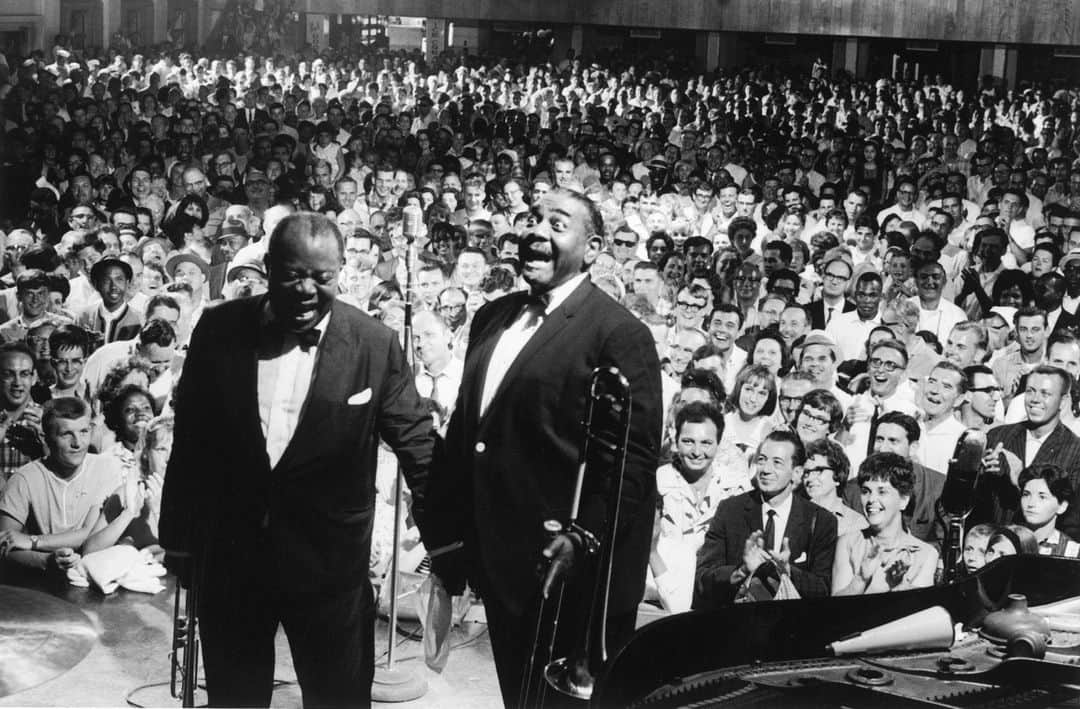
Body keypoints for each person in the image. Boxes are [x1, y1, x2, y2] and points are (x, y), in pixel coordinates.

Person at [159, 212, 439, 708]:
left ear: (340, 273)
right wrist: (179, 539)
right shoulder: (219, 329)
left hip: (330, 566)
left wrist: (452, 533)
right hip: (233, 559)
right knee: (235, 697)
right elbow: (192, 441)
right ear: (268, 267)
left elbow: (417, 440)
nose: (308, 289)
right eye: (293, 275)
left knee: (337, 698)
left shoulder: (374, 342)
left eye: (323, 277)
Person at [425, 189, 662, 707]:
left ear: (594, 247)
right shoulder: (491, 316)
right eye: (532, 220)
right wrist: (448, 536)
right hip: (498, 560)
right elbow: (470, 431)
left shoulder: (620, 332)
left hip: (566, 575)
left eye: (558, 224)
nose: (537, 231)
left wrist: (584, 539)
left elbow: (633, 462)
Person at [693, 429, 837, 607]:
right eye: (761, 460)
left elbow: (823, 589)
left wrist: (788, 572)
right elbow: (702, 579)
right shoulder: (730, 510)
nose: (766, 470)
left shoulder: (820, 520)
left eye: (777, 463)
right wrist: (741, 570)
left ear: (797, 473)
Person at [0, 397, 122, 575]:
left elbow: (90, 533)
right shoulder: (24, 478)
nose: (78, 443)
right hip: (41, 585)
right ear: (47, 438)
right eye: (66, 434)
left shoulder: (107, 468)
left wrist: (33, 541)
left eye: (83, 432)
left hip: (99, 577)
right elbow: (4, 545)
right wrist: (46, 561)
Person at [650, 401, 749, 612]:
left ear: (718, 443)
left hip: (716, 596)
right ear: (676, 441)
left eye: (706, 443)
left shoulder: (736, 487)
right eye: (688, 441)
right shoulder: (657, 481)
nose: (696, 451)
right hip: (666, 595)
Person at [973, 365, 1080, 539]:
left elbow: (1072, 519)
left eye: (1045, 394)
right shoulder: (998, 436)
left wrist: (1022, 481)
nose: (1035, 400)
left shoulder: (1075, 451)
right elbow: (975, 506)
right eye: (1030, 391)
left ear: (1063, 400)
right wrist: (981, 474)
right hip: (995, 547)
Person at [832, 452, 939, 595]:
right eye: (866, 491)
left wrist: (900, 586)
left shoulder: (925, 554)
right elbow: (836, 609)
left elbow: (920, 613)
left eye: (882, 492)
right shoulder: (848, 543)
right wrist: (861, 579)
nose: (871, 499)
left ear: (903, 500)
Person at [801, 438, 867, 536]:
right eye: (807, 472)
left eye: (819, 470)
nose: (810, 478)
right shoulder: (794, 515)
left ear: (837, 475)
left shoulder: (855, 523)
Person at [1017, 464, 1080, 558]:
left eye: (1042, 497)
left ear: (1062, 506)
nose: (1031, 503)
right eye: (1026, 494)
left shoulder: (1073, 552)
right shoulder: (1006, 540)